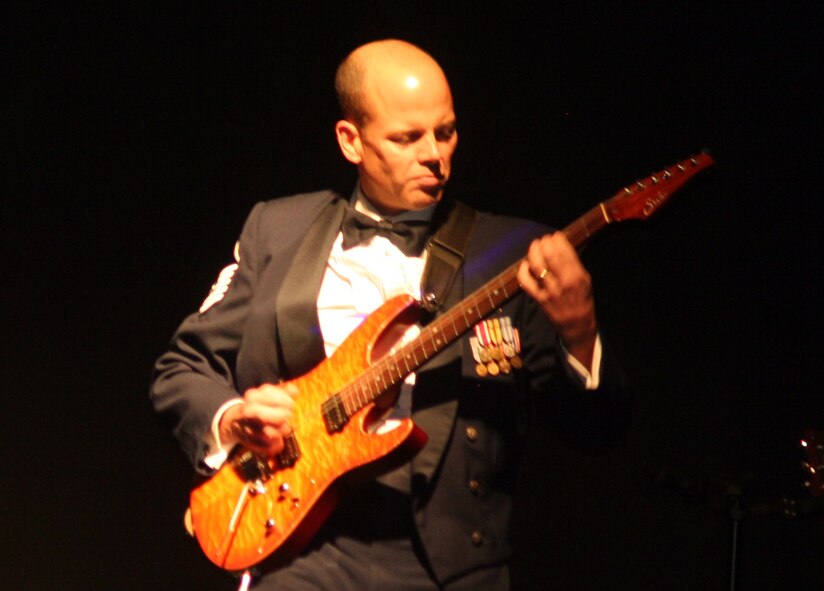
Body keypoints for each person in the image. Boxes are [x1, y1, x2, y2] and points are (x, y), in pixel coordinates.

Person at [151, 39, 628, 590]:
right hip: (298, 550)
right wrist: (233, 417)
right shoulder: (276, 230)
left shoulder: (514, 253)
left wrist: (580, 329)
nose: (435, 154)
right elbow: (181, 368)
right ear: (351, 141)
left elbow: (597, 430)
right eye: (407, 138)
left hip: (448, 564)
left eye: (445, 132)